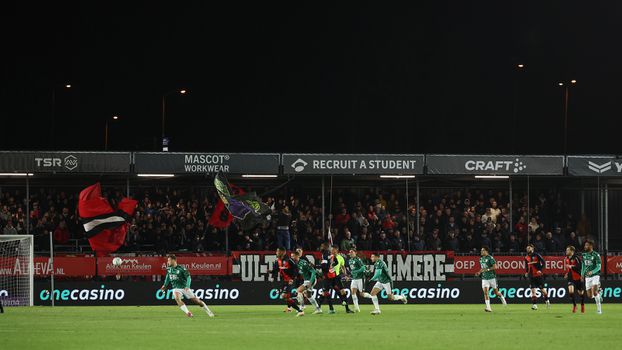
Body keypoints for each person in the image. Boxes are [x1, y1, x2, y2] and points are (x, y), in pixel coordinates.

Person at [318, 245, 353, 313]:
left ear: (336, 250)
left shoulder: (340, 258)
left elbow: (343, 267)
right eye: (331, 249)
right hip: (328, 277)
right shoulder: (329, 256)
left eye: (333, 249)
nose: (332, 250)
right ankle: (321, 307)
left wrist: (345, 275)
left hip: (336, 277)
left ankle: (347, 309)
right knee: (325, 292)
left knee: (342, 291)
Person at [475, 246, 507, 312]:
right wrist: (479, 272)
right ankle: (488, 307)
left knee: (496, 293)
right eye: (481, 250)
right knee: (486, 293)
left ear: (486, 251)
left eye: (482, 250)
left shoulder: (490, 258)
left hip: (492, 278)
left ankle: (502, 297)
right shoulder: (481, 259)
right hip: (484, 278)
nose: (481, 251)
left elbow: (495, 267)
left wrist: (488, 269)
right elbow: (483, 268)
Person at [271, 247, 302, 314]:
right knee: (286, 297)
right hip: (284, 280)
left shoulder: (289, 260)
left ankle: (300, 310)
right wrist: (271, 273)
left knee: (284, 296)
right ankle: (295, 307)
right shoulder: (278, 260)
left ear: (283, 252)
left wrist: (293, 278)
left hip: (289, 280)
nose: (276, 252)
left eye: (278, 251)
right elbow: (276, 270)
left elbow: (296, 268)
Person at [291, 251, 321, 316]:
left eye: (293, 256)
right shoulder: (295, 264)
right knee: (309, 295)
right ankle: (318, 309)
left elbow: (313, 271)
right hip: (306, 280)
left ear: (297, 256)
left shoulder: (303, 263)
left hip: (310, 280)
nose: (292, 257)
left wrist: (310, 282)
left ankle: (301, 309)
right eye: (291, 256)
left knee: (298, 290)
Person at [524, 244, 550, 310]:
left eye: (529, 248)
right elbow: (527, 266)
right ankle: (534, 305)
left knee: (543, 291)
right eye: (527, 248)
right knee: (533, 291)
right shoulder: (526, 257)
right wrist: (526, 272)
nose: (527, 249)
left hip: (538, 275)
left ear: (532, 248)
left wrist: (540, 270)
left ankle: (547, 300)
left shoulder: (537, 255)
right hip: (531, 276)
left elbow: (543, 262)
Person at [581, 240, 602, 314]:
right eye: (585, 245)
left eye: (586, 245)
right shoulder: (584, 255)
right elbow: (583, 265)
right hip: (587, 277)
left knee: (595, 292)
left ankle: (599, 310)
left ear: (591, 246)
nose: (585, 246)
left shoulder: (596, 255)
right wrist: (582, 274)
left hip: (595, 275)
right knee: (590, 296)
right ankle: (599, 294)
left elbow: (599, 266)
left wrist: (592, 272)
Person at [564, 245, 585, 313]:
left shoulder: (576, 258)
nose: (566, 251)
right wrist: (567, 273)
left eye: (568, 250)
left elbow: (579, 267)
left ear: (572, 251)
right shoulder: (566, 258)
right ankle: (575, 305)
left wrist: (571, 266)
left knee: (581, 293)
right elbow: (568, 268)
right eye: (566, 250)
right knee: (571, 291)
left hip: (578, 277)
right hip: (571, 277)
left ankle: (582, 305)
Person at [347, 248, 367, 312]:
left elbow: (363, 267)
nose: (351, 253)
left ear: (355, 253)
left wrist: (356, 271)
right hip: (354, 279)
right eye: (350, 252)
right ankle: (356, 308)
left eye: (352, 252)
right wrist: (350, 275)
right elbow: (352, 270)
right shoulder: (349, 261)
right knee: (353, 292)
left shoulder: (358, 259)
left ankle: (372, 297)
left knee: (361, 294)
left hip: (360, 278)